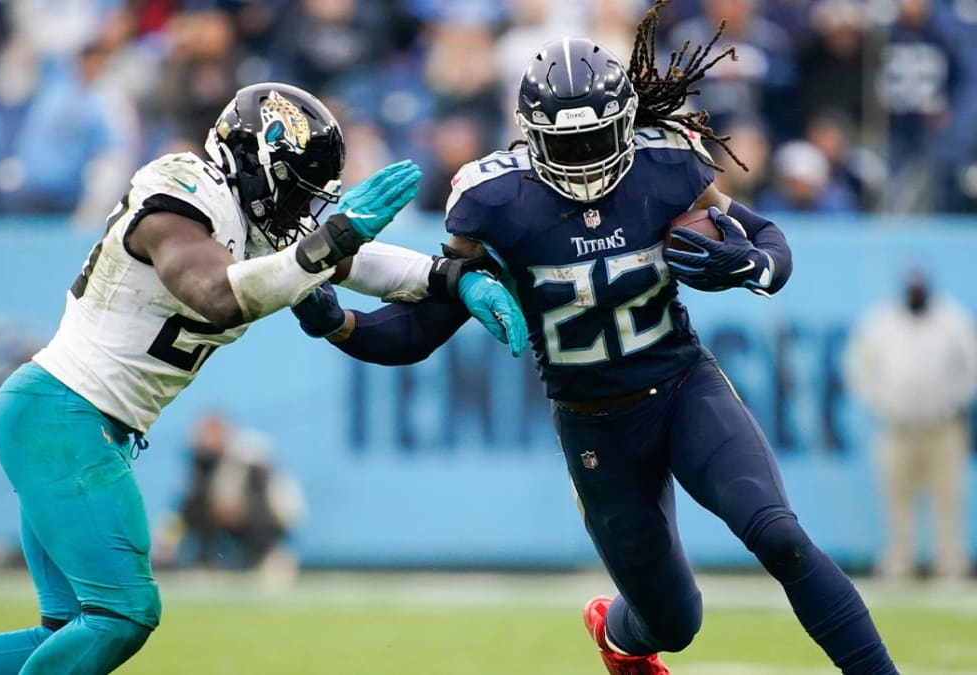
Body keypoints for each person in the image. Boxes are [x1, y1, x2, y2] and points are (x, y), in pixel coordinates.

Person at [0, 81, 526, 675]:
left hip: (79, 423)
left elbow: (368, 267)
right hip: (64, 413)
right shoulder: (180, 188)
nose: (306, 211)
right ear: (259, 162)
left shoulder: (262, 225)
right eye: (300, 191)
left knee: (65, 634)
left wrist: (452, 278)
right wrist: (332, 239)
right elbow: (215, 291)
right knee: (125, 612)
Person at [292, 3, 900, 673]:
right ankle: (616, 631)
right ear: (529, 136)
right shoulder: (494, 203)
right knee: (673, 620)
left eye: (596, 138)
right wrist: (339, 323)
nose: (583, 159)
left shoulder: (665, 164)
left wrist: (748, 264)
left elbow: (767, 241)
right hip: (596, 427)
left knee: (780, 535)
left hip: (681, 388)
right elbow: (421, 329)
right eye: (566, 143)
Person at [844, 269, 977, 582]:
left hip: (942, 427)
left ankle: (949, 564)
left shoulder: (953, 320)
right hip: (896, 427)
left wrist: (951, 401)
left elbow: (971, 368)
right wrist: (879, 402)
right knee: (896, 498)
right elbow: (858, 368)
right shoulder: (880, 321)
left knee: (947, 497)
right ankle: (900, 562)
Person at [156, 412, 304, 584]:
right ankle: (204, 561)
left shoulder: (252, 457)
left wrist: (230, 506)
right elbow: (183, 507)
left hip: (268, 519)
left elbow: (271, 502)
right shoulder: (199, 463)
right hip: (227, 519)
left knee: (257, 519)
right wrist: (165, 544)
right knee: (196, 509)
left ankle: (267, 557)